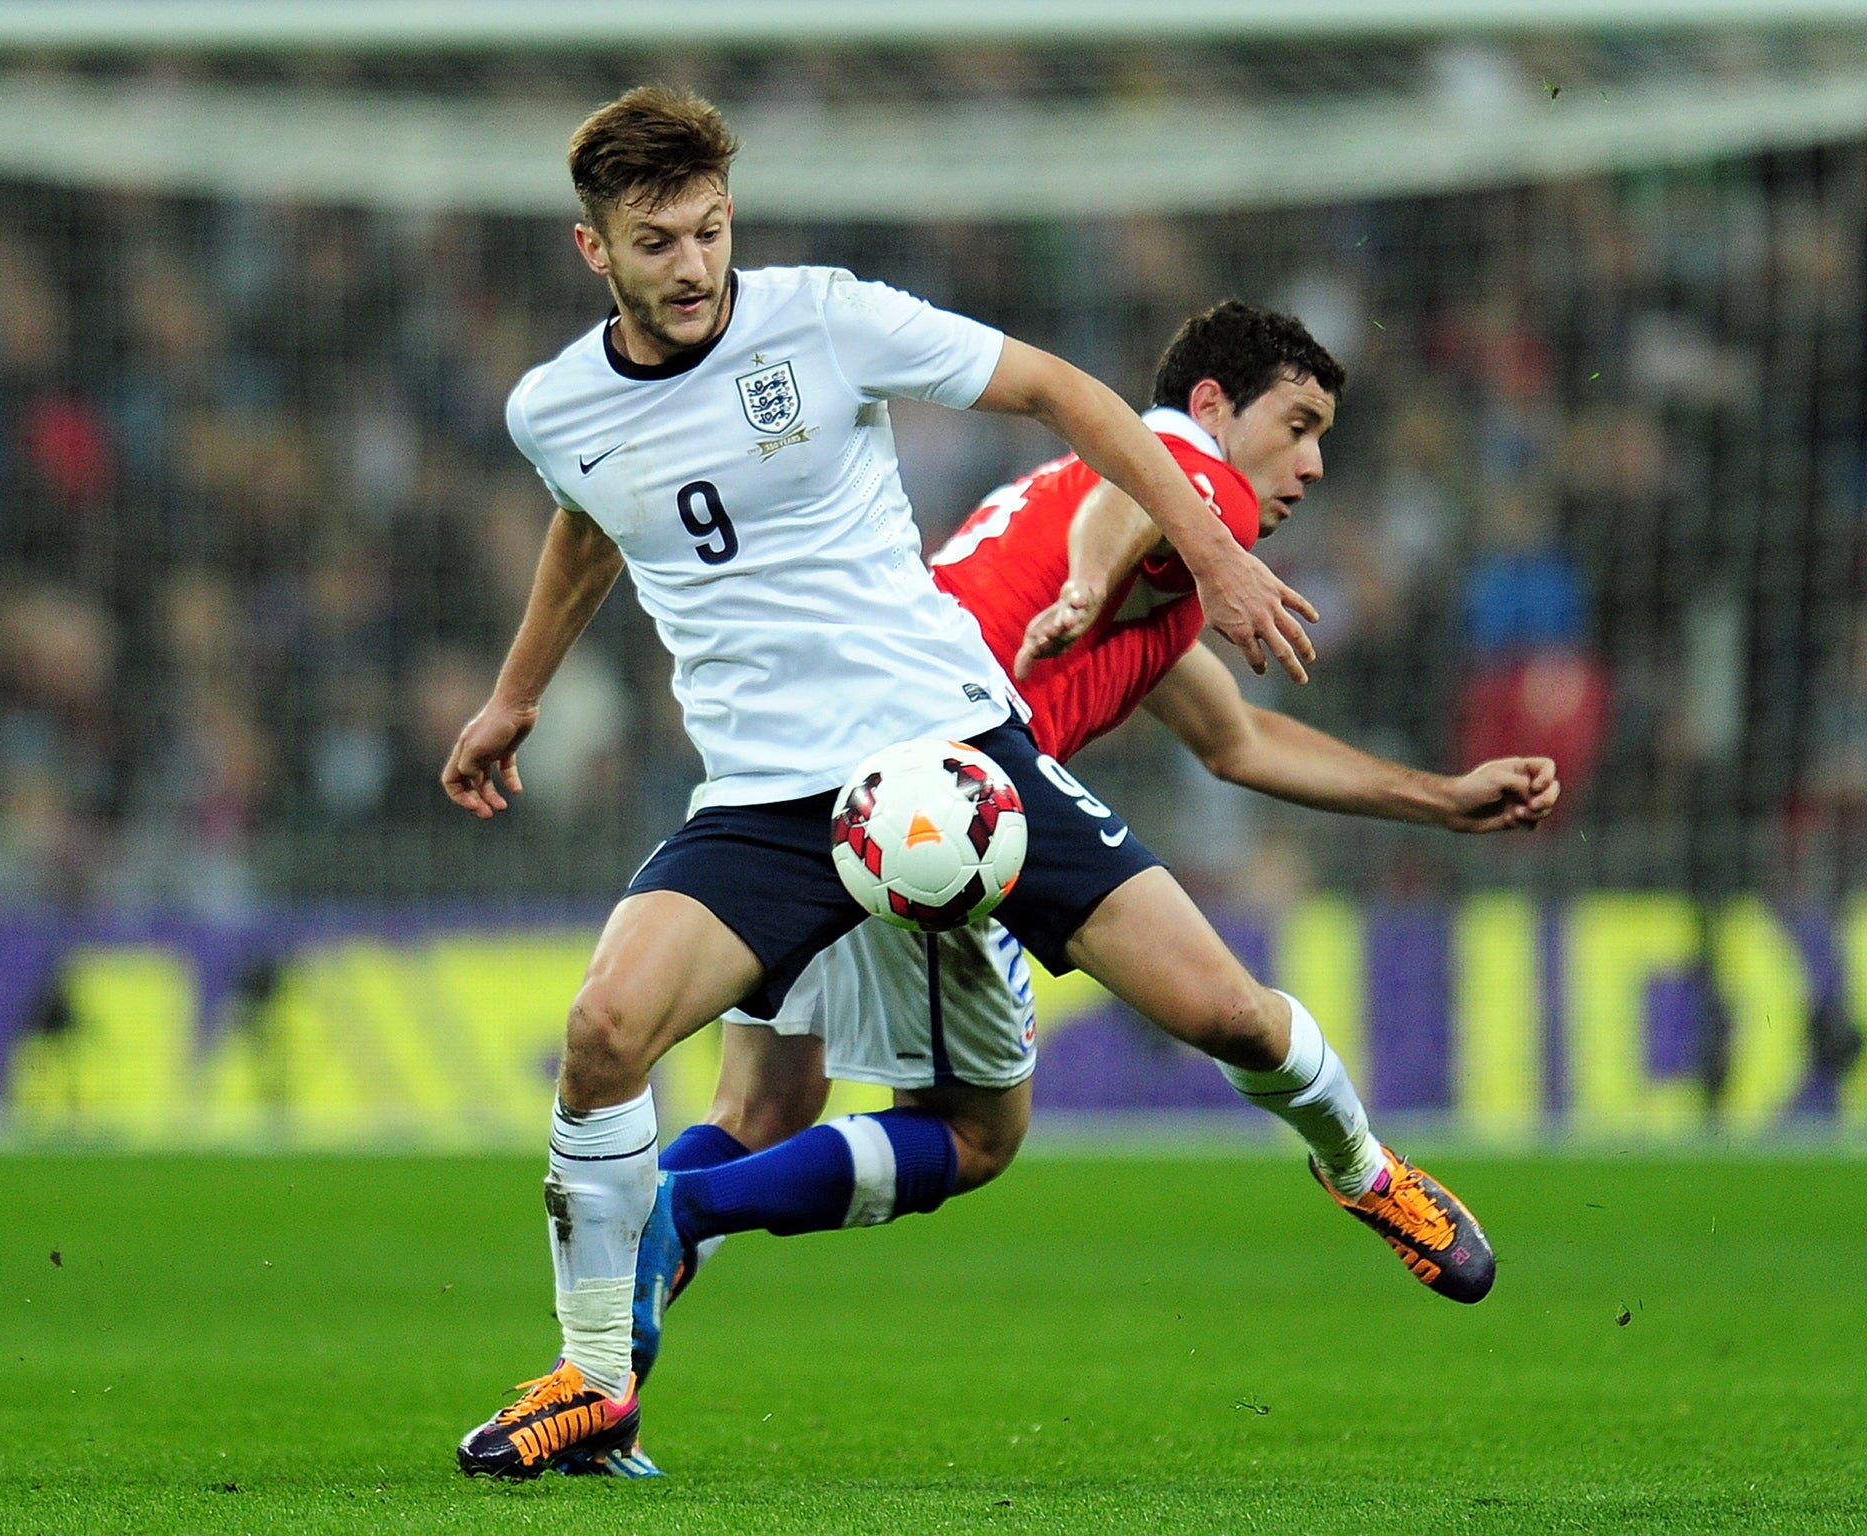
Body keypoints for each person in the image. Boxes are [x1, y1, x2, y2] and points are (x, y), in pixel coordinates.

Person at [444, 86, 1363, 1483]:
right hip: (764, 799)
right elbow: (590, 528)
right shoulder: (551, 409)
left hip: (948, 753)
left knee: (1219, 1011)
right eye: (655, 243)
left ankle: (1360, 1166)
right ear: (595, 254)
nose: (691, 267)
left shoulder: (823, 317)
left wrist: (1220, 560)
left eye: (707, 231)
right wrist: (516, 698)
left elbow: (1061, 392)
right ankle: (594, 1383)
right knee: (601, 1034)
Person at [568, 302, 1557, 1477]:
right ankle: (1362, 1171)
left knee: (762, 1114)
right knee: (1046, 1103)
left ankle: (600, 1366)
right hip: (941, 784)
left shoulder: (1137, 561)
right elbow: (1122, 504)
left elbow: (1235, 739)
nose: (1311, 463)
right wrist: (1104, 576)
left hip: (816, 766)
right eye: (1295, 424)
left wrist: (1438, 799)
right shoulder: (1194, 494)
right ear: (1207, 408)